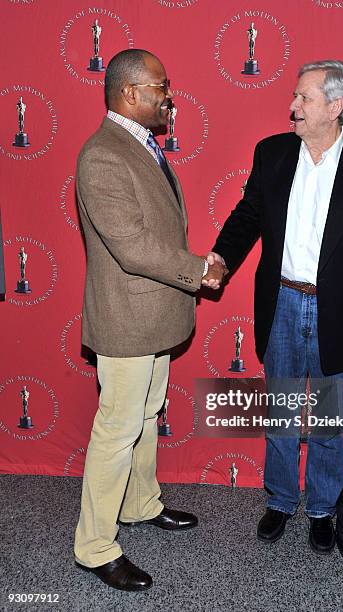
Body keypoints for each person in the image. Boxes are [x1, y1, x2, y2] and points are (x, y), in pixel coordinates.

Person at [209, 60, 343, 553]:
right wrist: (219, 259)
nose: (292, 106)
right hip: (282, 302)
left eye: (303, 98)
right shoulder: (272, 152)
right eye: (295, 98)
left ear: (336, 107)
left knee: (327, 421)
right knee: (280, 413)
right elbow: (248, 215)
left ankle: (321, 508)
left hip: (339, 312)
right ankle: (278, 500)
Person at [74, 48, 225, 591]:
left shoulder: (138, 144)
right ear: (130, 93)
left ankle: (139, 504)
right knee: (116, 429)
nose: (169, 96)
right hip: (127, 318)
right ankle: (93, 546)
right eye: (161, 86)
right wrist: (198, 270)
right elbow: (133, 247)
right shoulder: (102, 154)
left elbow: (155, 232)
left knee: (145, 415)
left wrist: (190, 270)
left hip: (153, 314)